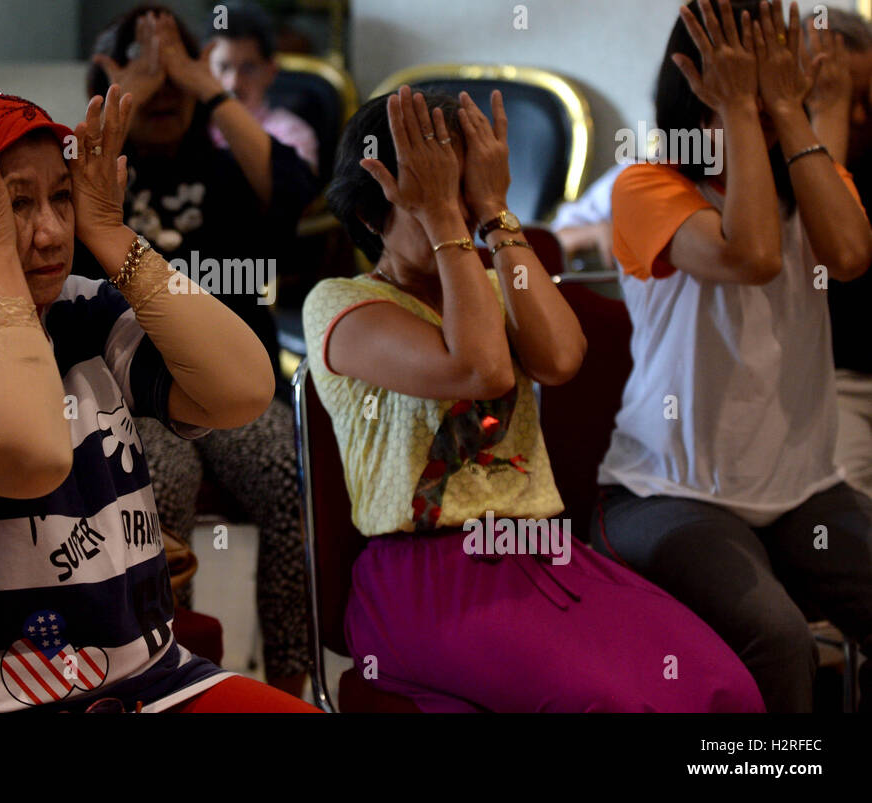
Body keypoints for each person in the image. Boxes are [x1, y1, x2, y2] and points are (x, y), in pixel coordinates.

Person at [0, 88, 318, 713]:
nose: (49, 233)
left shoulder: (80, 307)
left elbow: (241, 390)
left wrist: (112, 234)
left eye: (60, 197)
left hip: (146, 679)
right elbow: (30, 457)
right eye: (12, 204)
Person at [303, 85, 764, 712]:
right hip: (426, 578)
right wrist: (447, 222)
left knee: (722, 689)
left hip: (543, 554)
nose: (457, 212)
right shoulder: (340, 302)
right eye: (435, 198)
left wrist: (496, 209)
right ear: (368, 215)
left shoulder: (490, 279)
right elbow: (481, 369)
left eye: (465, 191)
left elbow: (560, 358)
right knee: (615, 705)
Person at [594, 0, 872, 711]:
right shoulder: (647, 186)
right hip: (667, 490)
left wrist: (786, 108)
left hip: (802, 487)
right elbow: (750, 254)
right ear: (695, 85)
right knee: (778, 638)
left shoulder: (808, 181)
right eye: (736, 75)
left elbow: (847, 253)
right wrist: (750, 110)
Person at [86, 4, 319, 695]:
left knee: (289, 473)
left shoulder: (226, 172)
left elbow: (295, 193)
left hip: (236, 386)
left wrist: (210, 89)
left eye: (177, 68)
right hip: (129, 393)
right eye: (145, 69)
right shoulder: (89, 183)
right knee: (163, 483)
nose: (165, 89)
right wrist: (117, 108)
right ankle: (174, 683)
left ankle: (293, 685)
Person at [806, 9, 872, 501]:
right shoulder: (768, 160)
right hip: (832, 378)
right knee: (848, 501)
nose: (855, 115)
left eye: (864, 97)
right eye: (835, 96)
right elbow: (830, 250)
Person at [208, 0, 319, 172]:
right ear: (205, 69)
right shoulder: (190, 127)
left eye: (248, 68)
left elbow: (296, 195)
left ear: (271, 71)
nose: (233, 83)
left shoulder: (291, 134)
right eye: (223, 67)